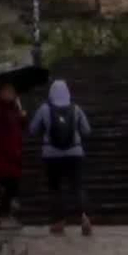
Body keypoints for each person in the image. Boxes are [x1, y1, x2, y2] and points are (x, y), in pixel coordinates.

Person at [27, 80, 93, 236]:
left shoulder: (44, 109)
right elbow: (87, 130)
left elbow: (32, 129)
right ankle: (84, 217)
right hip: (74, 153)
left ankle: (59, 221)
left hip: (51, 155)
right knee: (77, 186)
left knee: (55, 188)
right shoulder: (76, 109)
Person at [0, 82, 27, 230]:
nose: (13, 93)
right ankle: (2, 218)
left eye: (13, 90)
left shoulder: (12, 108)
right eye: (9, 90)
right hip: (4, 157)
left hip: (13, 156)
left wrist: (22, 118)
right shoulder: (0, 110)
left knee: (11, 187)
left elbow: (18, 128)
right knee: (6, 187)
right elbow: (0, 134)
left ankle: (4, 217)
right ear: (1, 92)